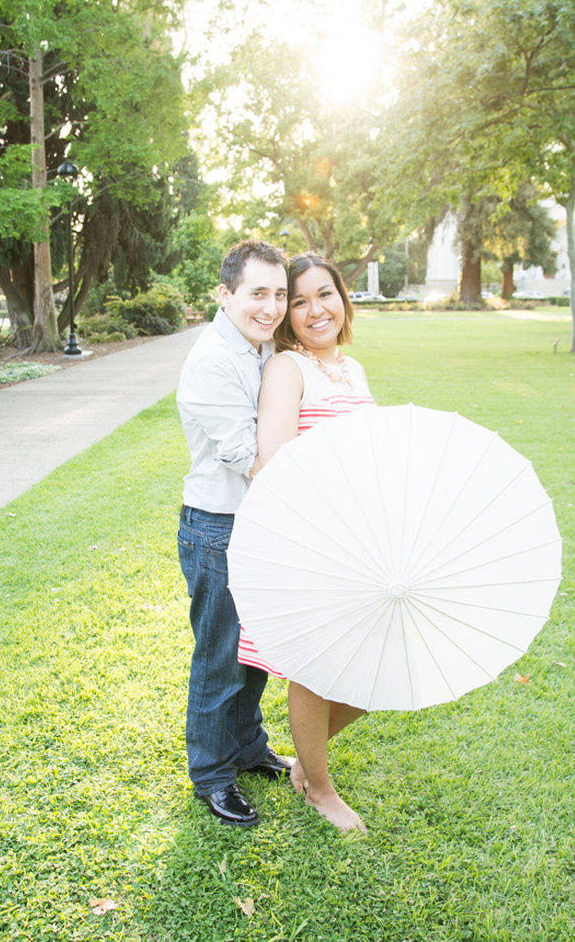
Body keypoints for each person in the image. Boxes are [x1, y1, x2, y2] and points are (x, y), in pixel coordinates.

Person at [240, 251, 376, 832]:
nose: (315, 309)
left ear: (342, 298)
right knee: (316, 667)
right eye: (299, 302)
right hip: (309, 536)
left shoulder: (352, 368)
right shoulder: (288, 369)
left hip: (361, 536)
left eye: (325, 294)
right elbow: (274, 461)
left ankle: (304, 762)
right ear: (287, 317)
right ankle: (318, 787)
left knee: (373, 669)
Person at [176, 239, 293, 828]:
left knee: (255, 653)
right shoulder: (212, 363)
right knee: (221, 656)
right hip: (217, 527)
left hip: (259, 523)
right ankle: (213, 773)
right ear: (225, 294)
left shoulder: (260, 345)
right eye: (258, 294)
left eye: (279, 294)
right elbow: (252, 458)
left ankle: (247, 746)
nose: (271, 307)